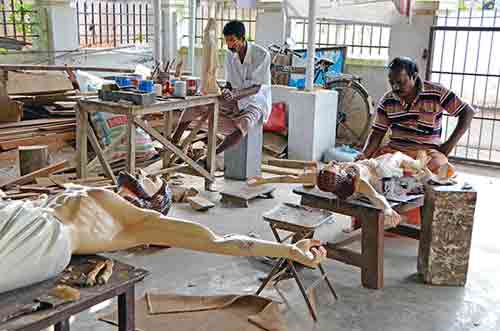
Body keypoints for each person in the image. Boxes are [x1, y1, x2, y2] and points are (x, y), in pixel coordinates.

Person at [0, 185, 325, 294]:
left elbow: (219, 240)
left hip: (45, 236)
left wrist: (289, 250)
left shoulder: (134, 223)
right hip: (21, 213)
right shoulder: (80, 195)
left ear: (150, 200)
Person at [350, 56, 477, 229]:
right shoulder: (388, 100)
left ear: (414, 76)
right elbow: (377, 133)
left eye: (400, 82)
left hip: (426, 152)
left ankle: (417, 224)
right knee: (370, 171)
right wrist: (364, 155)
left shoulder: (436, 92)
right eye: (391, 82)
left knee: (440, 171)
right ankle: (374, 221)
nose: (395, 87)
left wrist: (447, 146)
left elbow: (467, 112)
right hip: (395, 150)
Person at [171, 20, 271, 160]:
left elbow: (256, 88)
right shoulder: (230, 53)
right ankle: (173, 142)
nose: (229, 44)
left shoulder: (261, 55)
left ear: (242, 38)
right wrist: (226, 90)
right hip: (233, 96)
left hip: (256, 100)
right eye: (227, 40)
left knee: (244, 124)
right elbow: (230, 82)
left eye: (232, 40)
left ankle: (209, 156)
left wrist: (235, 94)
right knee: (197, 104)